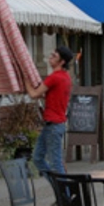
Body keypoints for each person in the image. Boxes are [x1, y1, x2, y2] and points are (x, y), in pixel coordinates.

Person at [25, 46, 73, 185]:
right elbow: (50, 95)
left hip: (53, 124)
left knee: (55, 163)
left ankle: (65, 195)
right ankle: (59, 189)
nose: (50, 57)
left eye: (54, 56)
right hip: (53, 124)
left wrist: (25, 80)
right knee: (38, 158)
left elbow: (34, 94)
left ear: (62, 61)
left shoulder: (55, 77)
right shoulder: (65, 77)